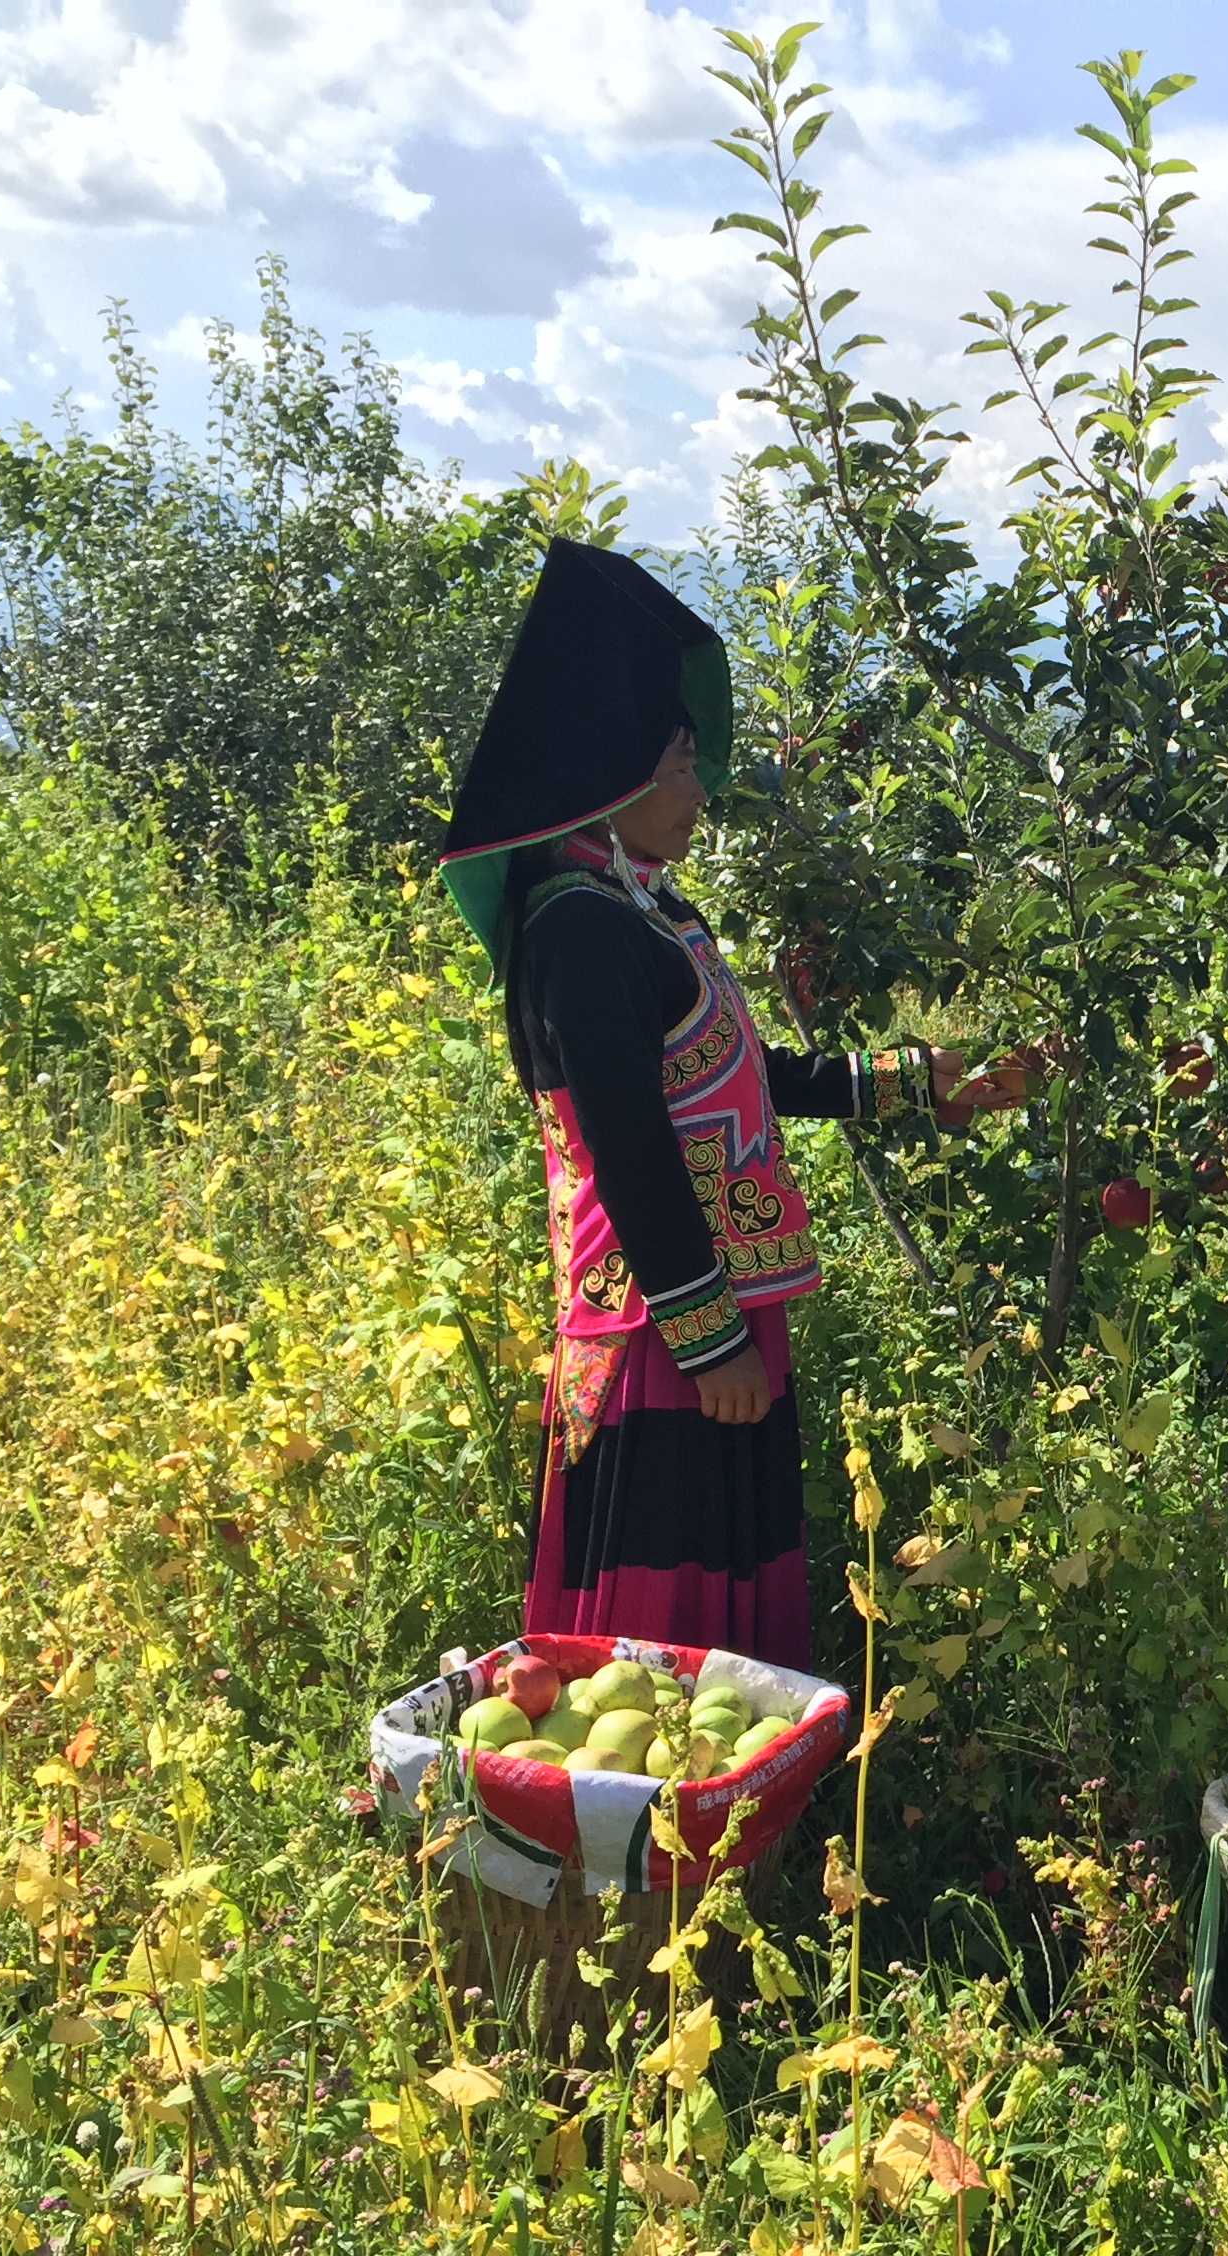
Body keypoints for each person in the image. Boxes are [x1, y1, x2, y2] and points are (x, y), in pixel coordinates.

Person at [439, 539, 1028, 1670]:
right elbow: (633, 1156)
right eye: (681, 761)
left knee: (718, 1590)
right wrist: (709, 1344)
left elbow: (750, 1080)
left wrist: (918, 1082)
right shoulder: (577, 937)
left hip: (700, 1307)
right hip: (660, 1327)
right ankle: (655, 1832)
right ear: (611, 773)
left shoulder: (648, 912)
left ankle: (726, 1824)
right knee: (661, 1629)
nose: (700, 787)